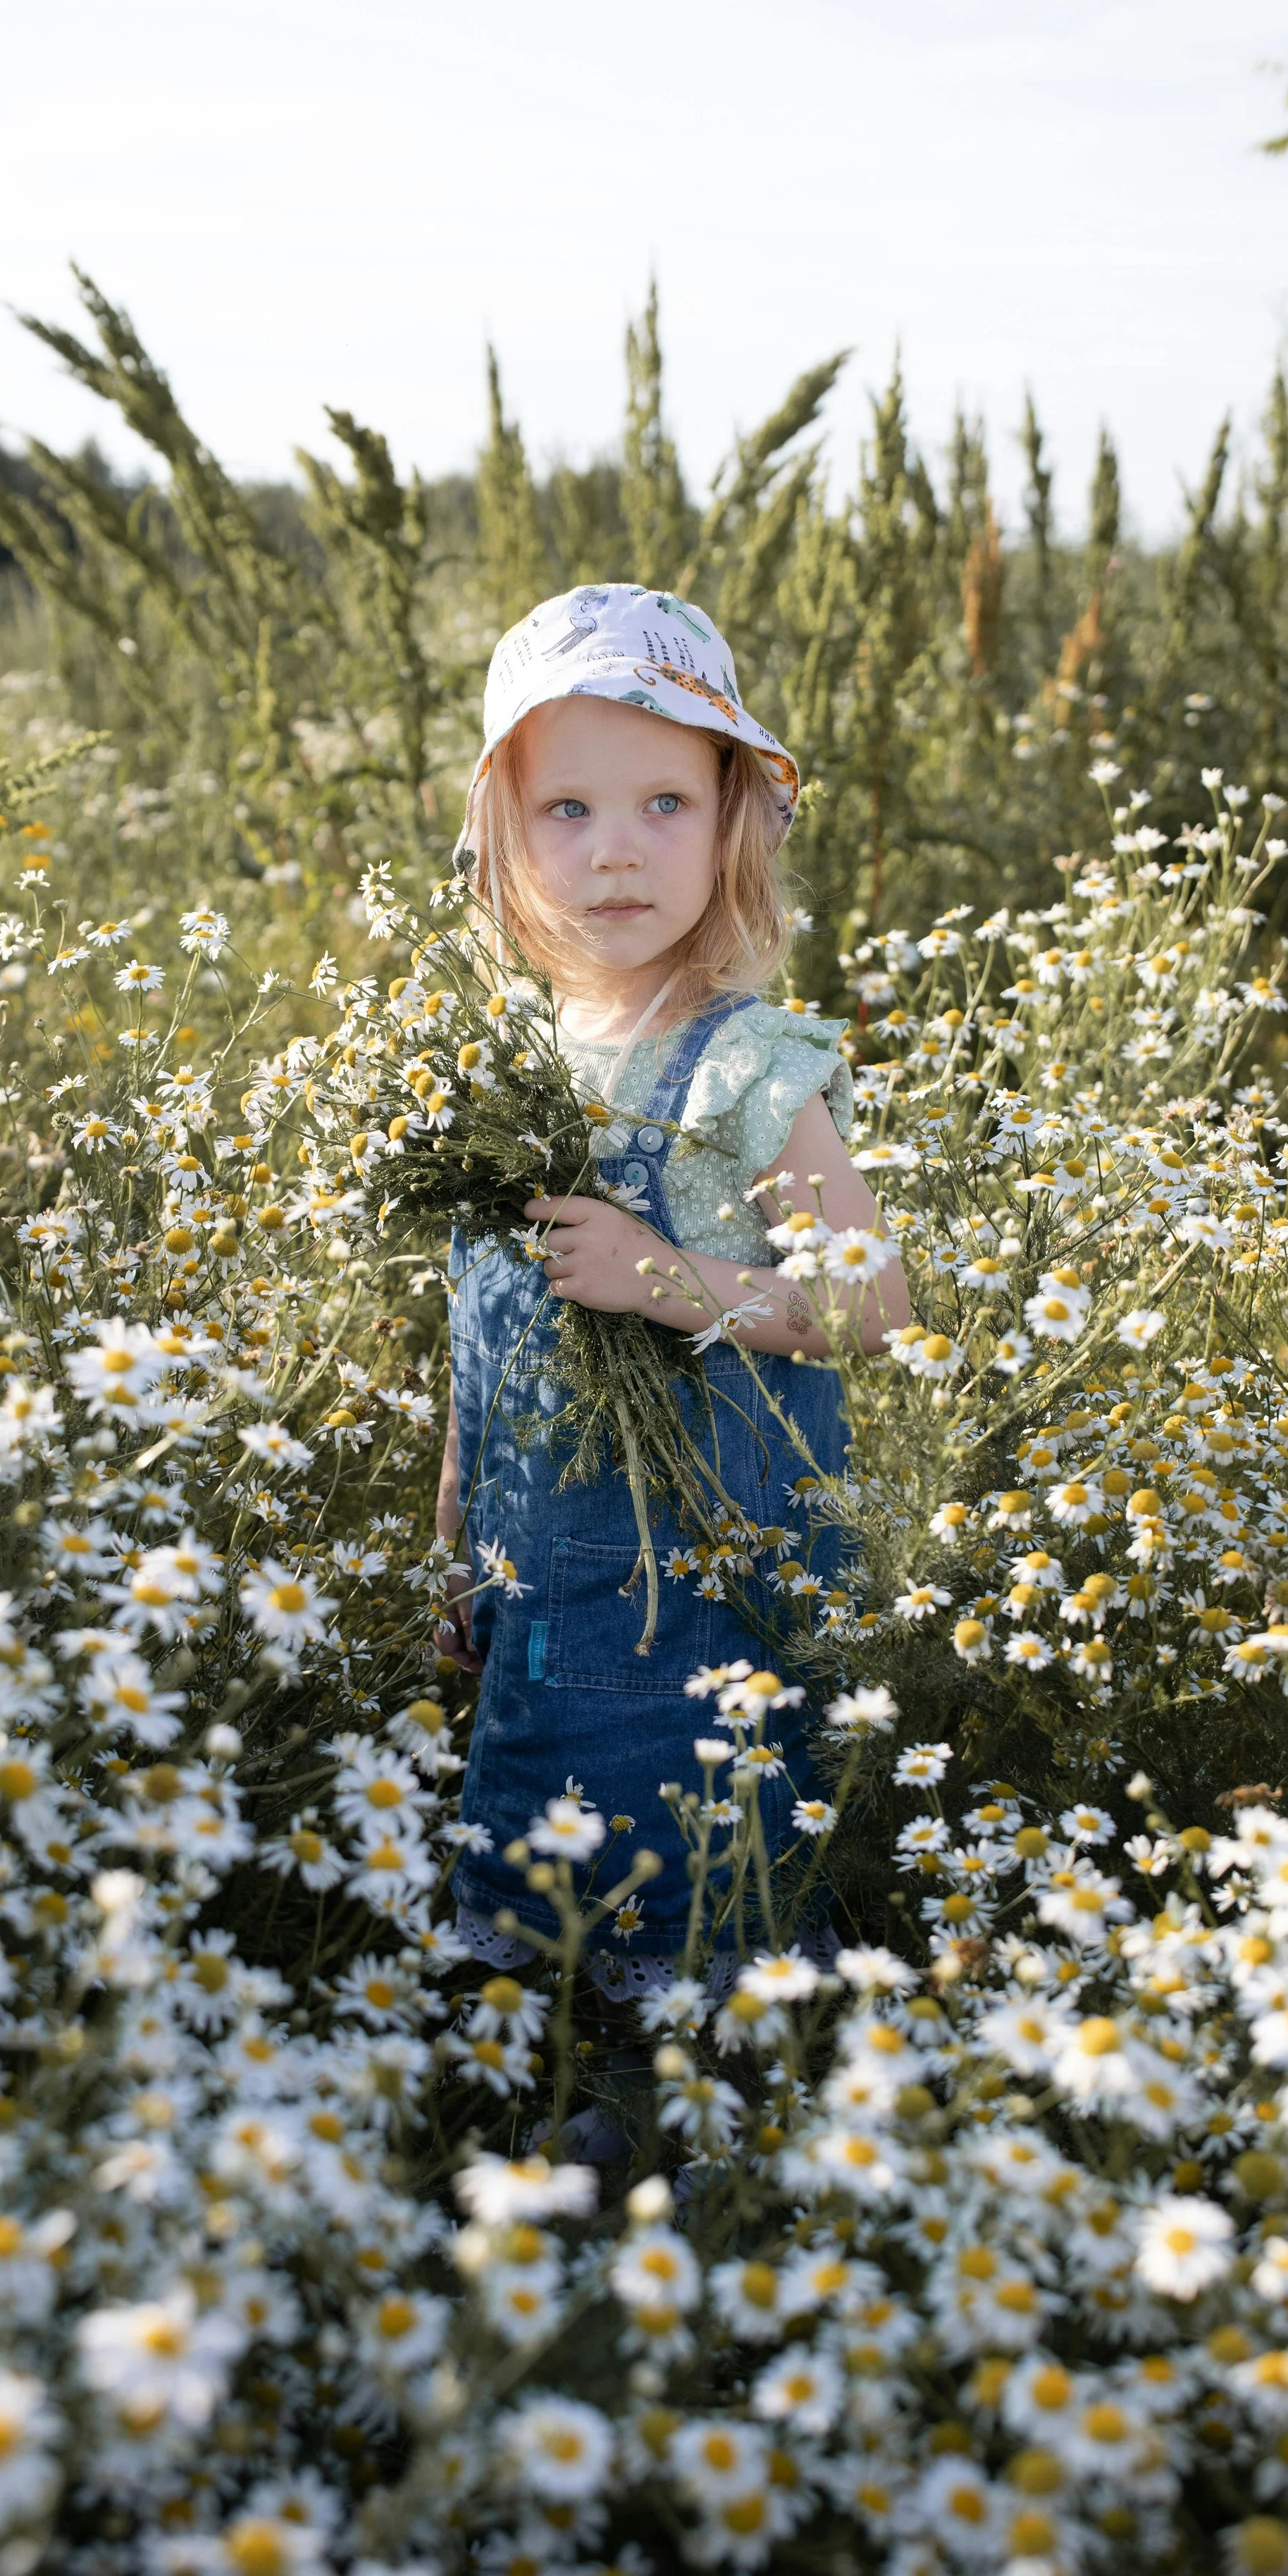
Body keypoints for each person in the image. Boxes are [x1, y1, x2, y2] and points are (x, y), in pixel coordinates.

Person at [435, 584, 909, 1999]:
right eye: (564, 813)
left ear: (730, 824)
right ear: (503, 844)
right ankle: (548, 2029)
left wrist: (662, 1276)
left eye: (661, 804)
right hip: (544, 1566)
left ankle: (689, 2059)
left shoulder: (744, 1065)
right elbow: (472, 1333)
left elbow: (868, 1304)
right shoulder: (502, 1075)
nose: (615, 853)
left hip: (705, 1571)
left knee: (689, 1809)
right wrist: (452, 1525)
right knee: (541, 1776)